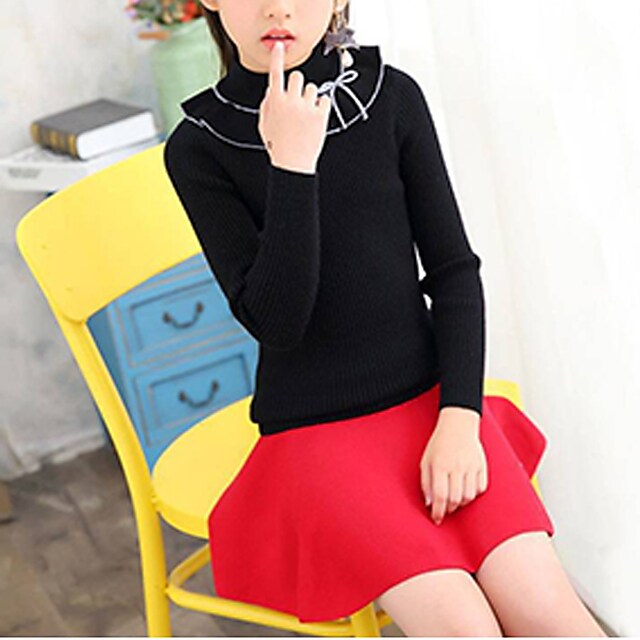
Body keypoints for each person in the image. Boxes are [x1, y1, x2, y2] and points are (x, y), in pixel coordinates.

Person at [162, 0, 608, 636]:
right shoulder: (199, 147)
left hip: (436, 407)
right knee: (464, 628)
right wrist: (293, 166)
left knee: (552, 615)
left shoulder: (390, 98)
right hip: (317, 429)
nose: (277, 9)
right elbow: (277, 322)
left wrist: (460, 418)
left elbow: (453, 272)